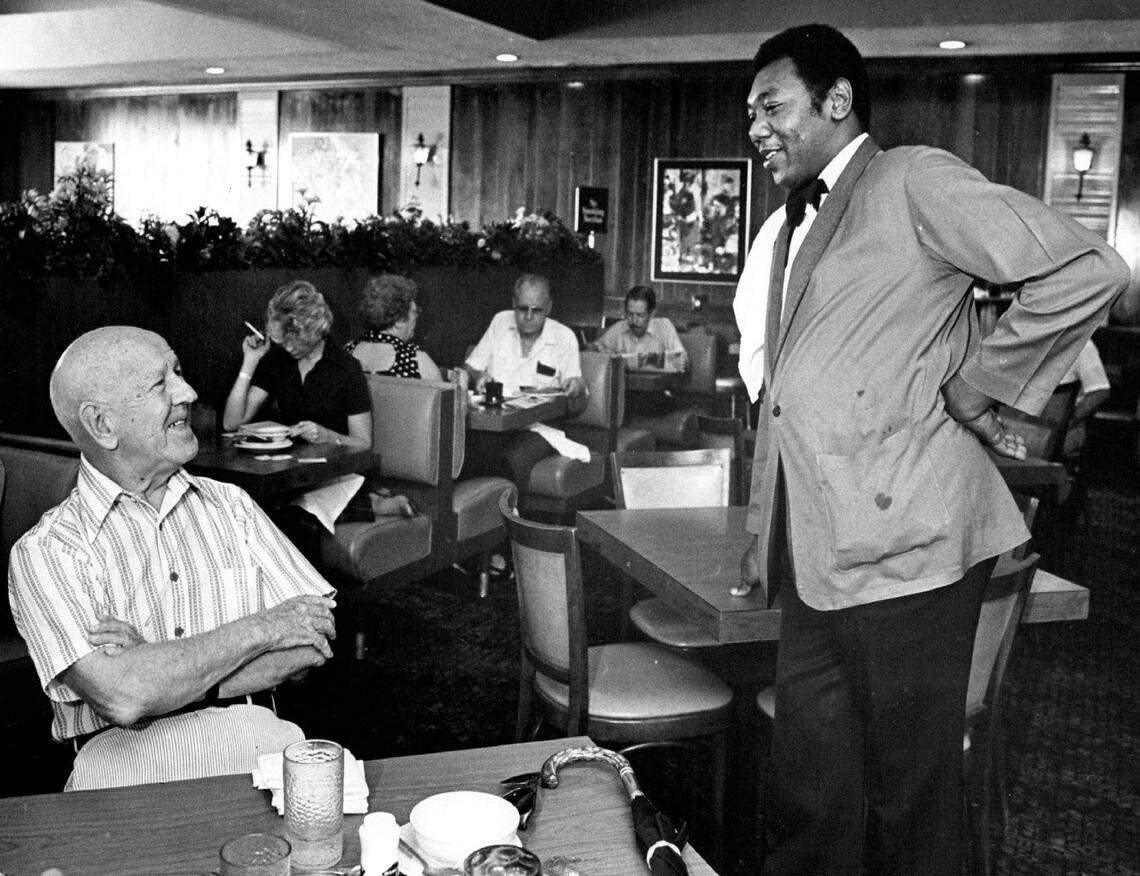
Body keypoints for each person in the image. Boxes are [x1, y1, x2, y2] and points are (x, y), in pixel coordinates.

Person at [731, 24, 1129, 875]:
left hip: (910, 546)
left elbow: (1087, 268)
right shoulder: (791, 221)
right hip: (816, 550)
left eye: (771, 106)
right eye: (751, 112)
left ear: (837, 102)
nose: (755, 128)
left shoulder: (912, 177)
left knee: (910, 797)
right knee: (811, 789)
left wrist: (981, 382)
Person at [8, 326, 338, 791]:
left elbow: (312, 640)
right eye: (160, 383)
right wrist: (265, 627)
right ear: (103, 425)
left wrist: (155, 665)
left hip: (260, 746)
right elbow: (124, 696)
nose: (189, 392)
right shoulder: (47, 552)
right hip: (123, 769)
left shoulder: (232, 505)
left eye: (178, 372)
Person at [223, 280, 413, 554]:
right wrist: (250, 361)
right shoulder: (278, 362)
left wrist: (327, 435)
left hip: (334, 474)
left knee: (293, 515)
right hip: (290, 474)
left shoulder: (346, 368)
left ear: (312, 331)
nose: (286, 347)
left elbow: (362, 442)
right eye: (282, 340)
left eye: (292, 340)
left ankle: (367, 505)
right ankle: (371, 504)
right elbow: (232, 422)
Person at [462, 272, 586, 488]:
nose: (528, 316)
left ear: (548, 308)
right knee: (468, 453)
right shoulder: (501, 322)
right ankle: (480, 518)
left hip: (538, 427)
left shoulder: (564, 337)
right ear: (513, 304)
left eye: (537, 310)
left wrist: (576, 387)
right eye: (522, 308)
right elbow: (470, 367)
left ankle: (509, 516)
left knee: (508, 461)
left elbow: (577, 402)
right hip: (493, 425)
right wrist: (479, 376)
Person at [346, 274, 443, 381]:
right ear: (399, 321)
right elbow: (440, 396)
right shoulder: (416, 361)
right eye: (414, 312)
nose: (416, 319)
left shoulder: (348, 350)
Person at [593, 285, 689, 373]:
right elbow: (594, 350)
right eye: (630, 314)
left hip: (658, 389)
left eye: (640, 315)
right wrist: (598, 350)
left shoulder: (664, 325)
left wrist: (634, 361)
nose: (634, 321)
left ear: (652, 314)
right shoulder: (619, 327)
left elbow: (682, 361)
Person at [1060, 337, 1112, 460]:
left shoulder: (1082, 344)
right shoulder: (1029, 340)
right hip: (1026, 424)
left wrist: (1066, 424)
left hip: (1067, 428)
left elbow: (1099, 392)